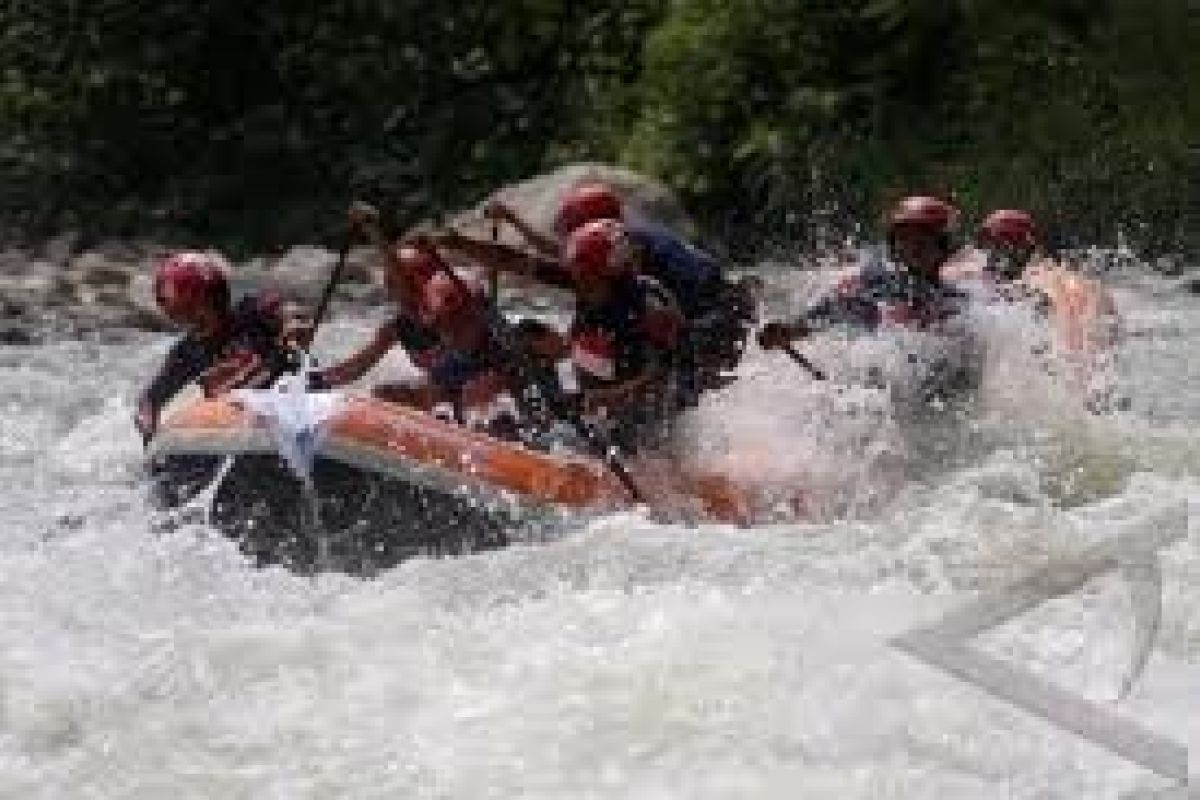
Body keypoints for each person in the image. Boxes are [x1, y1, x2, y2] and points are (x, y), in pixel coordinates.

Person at [435, 218, 687, 453]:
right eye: (576, 271)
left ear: (606, 272)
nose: (574, 276)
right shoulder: (588, 282)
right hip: (597, 404)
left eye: (582, 272)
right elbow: (512, 260)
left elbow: (663, 377)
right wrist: (459, 243)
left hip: (647, 420)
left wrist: (607, 398)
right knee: (526, 338)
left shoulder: (650, 310)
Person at [759, 196, 970, 350]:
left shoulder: (957, 301)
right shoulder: (876, 284)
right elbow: (834, 310)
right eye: (904, 240)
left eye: (922, 241)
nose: (911, 248)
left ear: (944, 247)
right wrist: (789, 331)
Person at [135, 251, 302, 443]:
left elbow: (289, 313)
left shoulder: (254, 311)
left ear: (216, 298)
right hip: (239, 419)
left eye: (191, 308)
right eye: (177, 313)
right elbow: (150, 400)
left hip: (293, 398)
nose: (188, 320)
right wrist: (148, 423)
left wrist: (293, 327)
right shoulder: (185, 353)